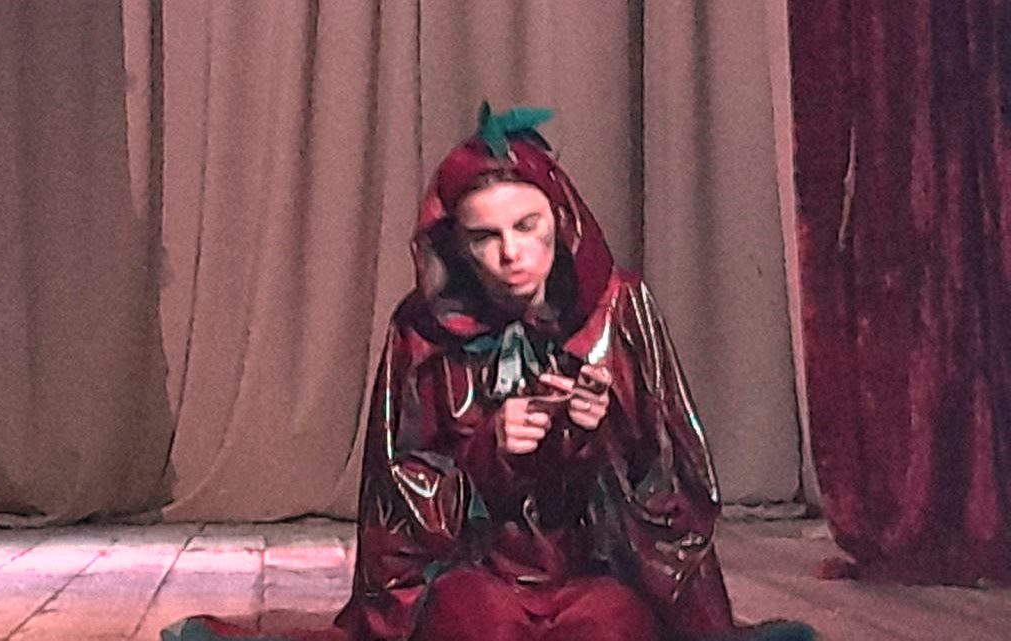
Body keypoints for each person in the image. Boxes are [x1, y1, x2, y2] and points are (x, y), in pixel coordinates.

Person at [164, 104, 815, 641]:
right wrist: (488, 449)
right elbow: (399, 499)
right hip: (480, 574)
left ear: (561, 219)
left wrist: (601, 435)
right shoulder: (422, 329)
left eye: (527, 226)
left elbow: (675, 478)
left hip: (595, 573)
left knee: (611, 626)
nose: (511, 254)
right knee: (475, 622)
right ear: (457, 244)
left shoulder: (619, 308)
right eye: (484, 237)